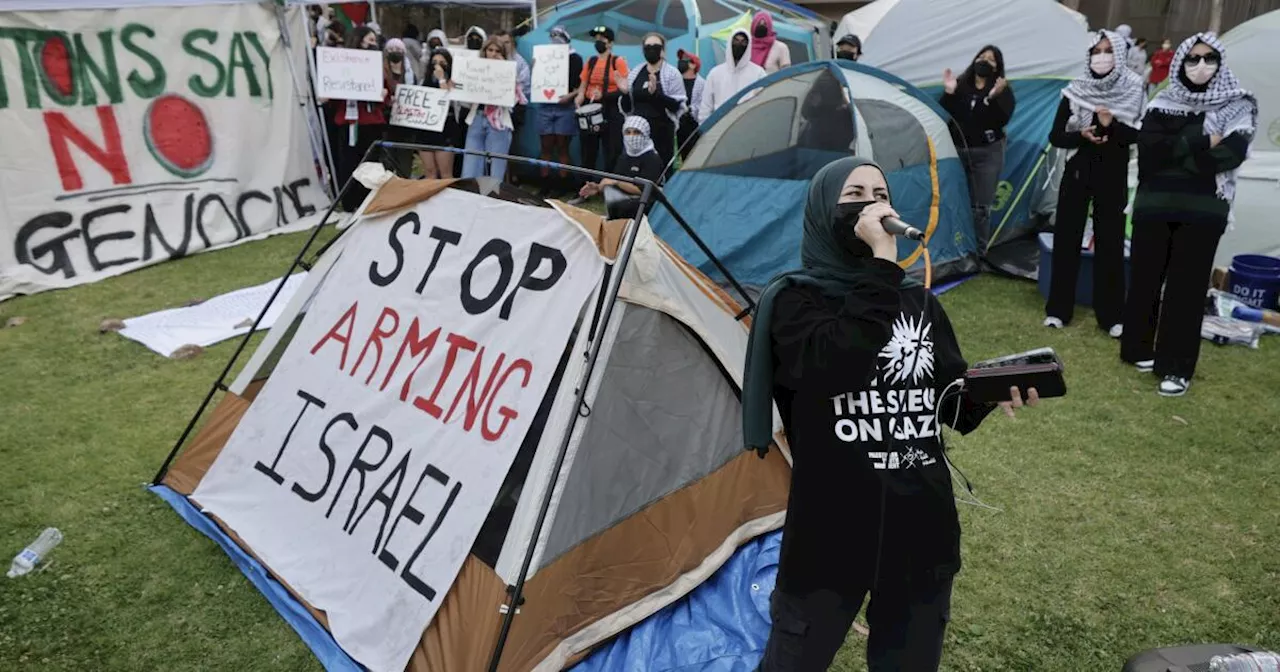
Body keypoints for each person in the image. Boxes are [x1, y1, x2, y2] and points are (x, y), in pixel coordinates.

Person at [742, 156, 1038, 672]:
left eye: (880, 193)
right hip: (830, 534)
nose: (874, 204)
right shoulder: (796, 302)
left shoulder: (919, 303)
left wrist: (992, 394)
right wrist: (882, 267)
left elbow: (951, 403)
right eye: (855, 194)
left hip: (919, 529)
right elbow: (836, 366)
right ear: (824, 211)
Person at [1121, 33, 1257, 397]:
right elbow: (1149, 154)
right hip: (1154, 206)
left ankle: (1176, 368)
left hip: (1202, 211)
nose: (1200, 66)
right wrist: (1200, 141)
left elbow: (1232, 154)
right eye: (1193, 58)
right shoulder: (1162, 100)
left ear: (1220, 63)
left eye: (1208, 58)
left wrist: (1176, 149)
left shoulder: (1237, 106)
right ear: (1180, 62)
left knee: (1187, 288)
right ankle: (1137, 349)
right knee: (1146, 279)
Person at [1043, 30, 1146, 336]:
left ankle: (1111, 315)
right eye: (1096, 51)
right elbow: (1056, 135)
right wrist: (1083, 134)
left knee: (1110, 242)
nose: (1102, 57)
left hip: (1112, 173)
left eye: (1108, 50)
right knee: (1066, 239)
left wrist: (1110, 125)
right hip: (1078, 170)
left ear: (1119, 54)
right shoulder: (1075, 90)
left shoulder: (1133, 88)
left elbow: (1138, 134)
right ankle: (1058, 310)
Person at [940, 45, 1016, 252]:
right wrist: (949, 93)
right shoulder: (960, 86)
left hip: (987, 153)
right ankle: (952, 246)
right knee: (953, 200)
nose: (984, 61)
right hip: (958, 150)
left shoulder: (1003, 91)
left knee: (980, 207)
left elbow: (999, 120)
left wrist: (991, 98)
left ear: (997, 67)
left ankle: (978, 251)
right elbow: (948, 116)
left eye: (991, 60)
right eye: (982, 57)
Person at [323, 25, 392, 211]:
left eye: (374, 41)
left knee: (370, 162)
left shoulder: (377, 66)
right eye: (370, 40)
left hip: (370, 121)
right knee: (348, 163)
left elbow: (386, 94)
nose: (373, 44)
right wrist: (328, 95)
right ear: (359, 40)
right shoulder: (343, 65)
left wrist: (384, 94)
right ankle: (350, 202)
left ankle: (369, 200)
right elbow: (336, 92)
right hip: (349, 121)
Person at [461, 37, 527, 182]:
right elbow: (465, 99)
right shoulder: (474, 69)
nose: (493, 54)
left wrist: (505, 69)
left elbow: (515, 99)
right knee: (471, 163)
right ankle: (470, 195)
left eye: (497, 51)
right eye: (490, 50)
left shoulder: (509, 70)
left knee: (496, 167)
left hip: (499, 120)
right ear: (484, 51)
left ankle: (492, 196)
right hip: (477, 117)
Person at [623, 32, 686, 173]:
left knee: (662, 171)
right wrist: (625, 93)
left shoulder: (672, 74)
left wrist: (656, 94)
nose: (651, 50)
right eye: (647, 47)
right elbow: (628, 108)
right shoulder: (635, 73)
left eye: (655, 46)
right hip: (637, 133)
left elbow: (677, 106)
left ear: (662, 50)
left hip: (662, 131)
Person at [578, 116, 664, 218]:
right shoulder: (624, 157)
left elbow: (646, 191)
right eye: (628, 132)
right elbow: (617, 182)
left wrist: (617, 182)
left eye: (636, 132)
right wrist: (598, 188)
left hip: (649, 205)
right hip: (627, 200)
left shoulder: (652, 158)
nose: (632, 136)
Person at [535, 26, 584, 196]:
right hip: (545, 105)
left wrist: (569, 96)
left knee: (563, 146)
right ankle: (544, 184)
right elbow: (537, 81)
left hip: (565, 107)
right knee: (545, 146)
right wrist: (536, 67)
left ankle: (562, 185)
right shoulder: (544, 56)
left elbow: (580, 87)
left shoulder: (576, 59)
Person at [576, 26, 629, 171]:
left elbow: (624, 88)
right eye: (596, 39)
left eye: (602, 39)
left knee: (612, 150)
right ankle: (586, 185)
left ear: (610, 43)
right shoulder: (591, 61)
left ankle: (609, 187)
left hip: (611, 109)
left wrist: (604, 95)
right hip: (591, 107)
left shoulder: (617, 61)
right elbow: (584, 83)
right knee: (587, 149)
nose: (598, 42)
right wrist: (580, 96)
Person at [699, 28, 764, 124]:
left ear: (748, 45)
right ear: (730, 43)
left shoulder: (758, 73)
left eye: (743, 42)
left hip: (747, 126)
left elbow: (762, 104)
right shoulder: (715, 73)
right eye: (736, 41)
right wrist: (703, 129)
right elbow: (706, 106)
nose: (739, 44)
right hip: (719, 128)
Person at [418, 48, 461, 179]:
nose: (437, 65)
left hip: (445, 130)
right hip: (426, 129)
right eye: (434, 61)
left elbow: (447, 100)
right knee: (430, 171)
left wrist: (442, 79)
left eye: (442, 62)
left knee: (445, 173)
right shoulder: (423, 81)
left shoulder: (453, 83)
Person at [382, 38, 421, 178]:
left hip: (406, 124)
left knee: (405, 162)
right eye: (391, 49)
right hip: (387, 123)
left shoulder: (410, 73)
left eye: (398, 50)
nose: (395, 52)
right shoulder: (381, 72)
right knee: (388, 161)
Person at [675, 49, 706, 159]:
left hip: (693, 128)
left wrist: (690, 109)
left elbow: (703, 105)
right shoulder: (675, 81)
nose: (680, 62)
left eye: (684, 60)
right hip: (677, 127)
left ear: (693, 65)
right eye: (680, 59)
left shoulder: (702, 84)